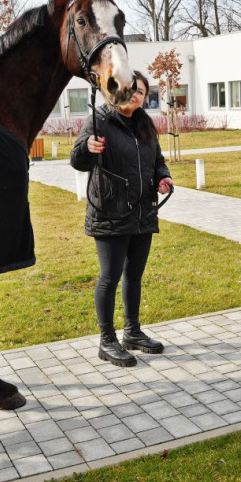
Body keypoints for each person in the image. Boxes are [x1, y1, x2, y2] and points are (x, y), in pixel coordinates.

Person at [70, 72, 174, 366]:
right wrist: (86, 148)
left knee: (134, 276)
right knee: (109, 277)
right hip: (110, 213)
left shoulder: (144, 124)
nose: (136, 95)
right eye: (132, 90)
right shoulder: (99, 119)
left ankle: (132, 332)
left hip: (143, 212)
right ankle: (107, 341)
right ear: (120, 91)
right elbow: (77, 160)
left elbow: (158, 161)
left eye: (142, 92)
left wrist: (163, 177)